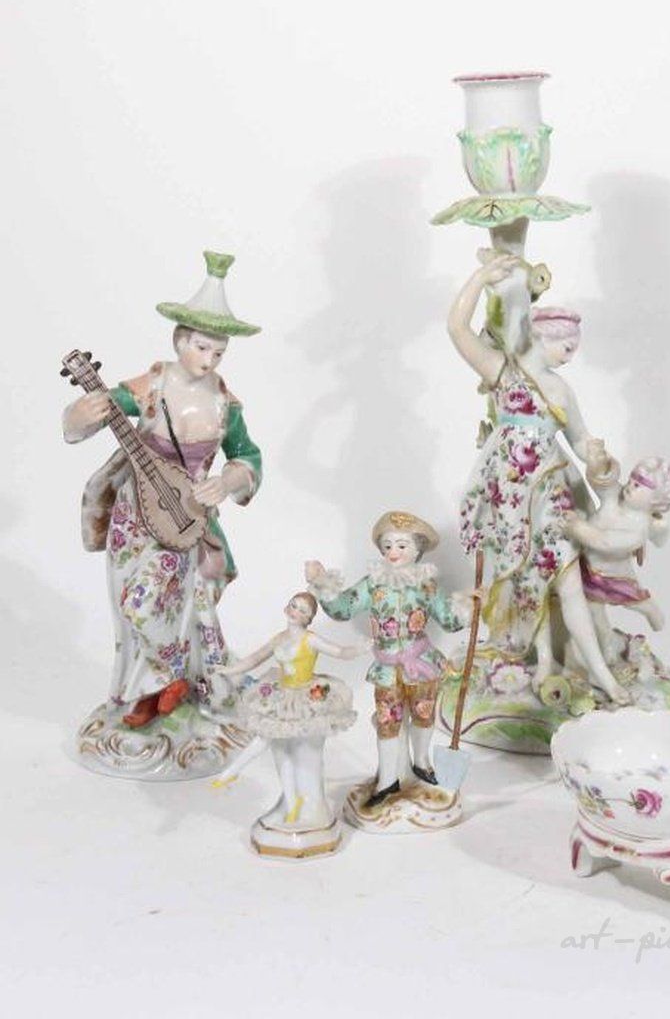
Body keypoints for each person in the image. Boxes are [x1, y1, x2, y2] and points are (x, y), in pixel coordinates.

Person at [62, 251, 262, 731]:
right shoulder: (152, 386)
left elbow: (249, 457)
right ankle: (145, 689)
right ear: (179, 340)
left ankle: (170, 680)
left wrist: (226, 481)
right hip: (136, 514)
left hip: (185, 516)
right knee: (127, 605)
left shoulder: (225, 404)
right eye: (201, 347)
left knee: (154, 603)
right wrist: (80, 415)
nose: (208, 360)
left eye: (218, 353)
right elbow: (91, 416)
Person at [446, 254, 629, 704]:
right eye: (567, 346)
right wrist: (480, 278)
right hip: (511, 499)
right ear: (543, 337)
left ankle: (601, 673)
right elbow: (457, 329)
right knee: (526, 580)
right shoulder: (504, 372)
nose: (572, 354)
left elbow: (581, 440)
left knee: (567, 581)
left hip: (551, 496)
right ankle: (543, 659)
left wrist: (599, 460)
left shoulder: (562, 390)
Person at [305, 511, 469, 809]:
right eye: (388, 545)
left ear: (417, 550)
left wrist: (468, 607)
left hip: (421, 664)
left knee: (423, 714)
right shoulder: (373, 584)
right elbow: (343, 609)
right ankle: (388, 780)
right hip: (387, 668)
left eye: (402, 546)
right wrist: (323, 585)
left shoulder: (427, 586)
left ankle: (422, 762)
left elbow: (449, 620)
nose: (394, 552)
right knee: (387, 720)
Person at [213, 592, 361, 839]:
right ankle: (292, 804)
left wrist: (360, 648)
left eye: (303, 611)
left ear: (309, 619)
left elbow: (340, 652)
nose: (296, 612)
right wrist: (229, 670)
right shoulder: (280, 638)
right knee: (279, 750)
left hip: (302, 697)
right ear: (286, 607)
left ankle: (231, 772)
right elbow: (254, 659)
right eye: (294, 606)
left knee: (267, 740)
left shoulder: (310, 639)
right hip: (281, 694)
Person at [565, 446, 670, 663]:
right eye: (631, 479)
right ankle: (607, 644)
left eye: (639, 485)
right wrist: (601, 464)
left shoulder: (638, 529)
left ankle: (651, 611)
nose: (630, 486)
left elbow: (604, 542)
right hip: (588, 569)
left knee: (632, 601)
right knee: (594, 611)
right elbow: (603, 483)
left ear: (655, 501)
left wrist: (577, 527)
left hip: (615, 577)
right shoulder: (615, 497)